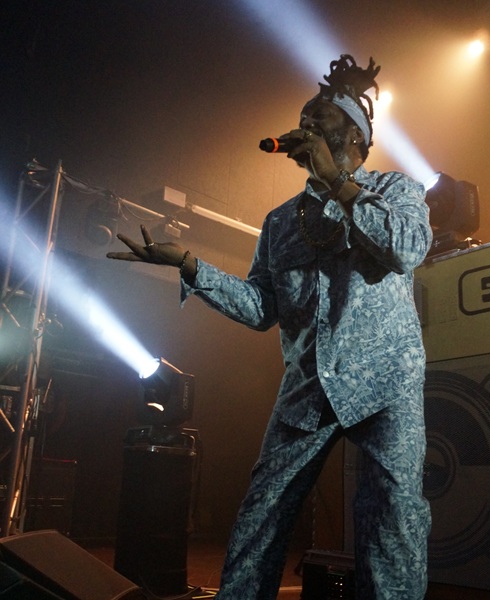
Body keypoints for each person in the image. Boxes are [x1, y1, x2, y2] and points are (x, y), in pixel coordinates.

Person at [108, 54, 432, 600]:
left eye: (320, 116)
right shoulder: (281, 221)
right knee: (262, 515)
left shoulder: (396, 190)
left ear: (355, 133)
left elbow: (406, 248)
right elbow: (262, 307)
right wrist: (190, 266)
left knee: (392, 519)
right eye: (303, 117)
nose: (306, 123)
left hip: (387, 381)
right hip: (310, 382)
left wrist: (338, 184)